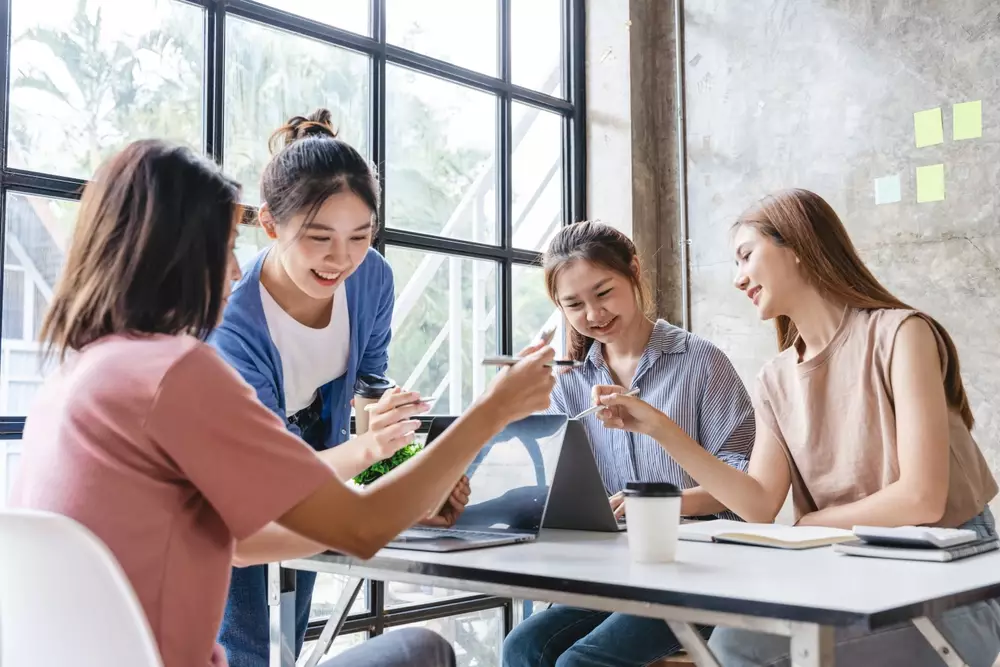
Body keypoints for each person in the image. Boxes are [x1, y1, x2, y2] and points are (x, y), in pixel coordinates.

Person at [9, 139, 556, 667]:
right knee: (423, 650)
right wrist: (494, 410)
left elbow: (245, 542)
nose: (233, 271)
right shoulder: (176, 371)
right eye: (222, 250)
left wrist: (408, 497)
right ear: (175, 256)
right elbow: (360, 528)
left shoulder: (79, 373)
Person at [595, 189, 1000, 666]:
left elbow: (922, 498)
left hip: (950, 583)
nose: (737, 278)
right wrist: (659, 428)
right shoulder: (776, 378)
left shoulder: (901, 334)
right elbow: (758, 504)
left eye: (746, 255)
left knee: (744, 650)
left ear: (800, 247)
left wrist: (811, 523)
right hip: (852, 574)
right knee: (734, 644)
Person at [208, 108, 470, 667]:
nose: (341, 259)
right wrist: (376, 471)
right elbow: (267, 482)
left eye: (360, 235)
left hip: (321, 444)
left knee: (294, 618)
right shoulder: (235, 318)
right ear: (271, 225)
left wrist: (404, 468)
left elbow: (371, 385)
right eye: (319, 237)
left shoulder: (371, 277)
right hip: (253, 454)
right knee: (249, 642)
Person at [502, 220, 755, 667]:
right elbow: (545, 482)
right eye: (574, 304)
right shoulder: (571, 382)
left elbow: (743, 489)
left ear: (634, 271)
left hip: (697, 571)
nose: (593, 315)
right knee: (521, 647)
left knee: (579, 663)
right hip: (611, 571)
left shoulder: (702, 364)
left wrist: (654, 504)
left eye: (603, 293)